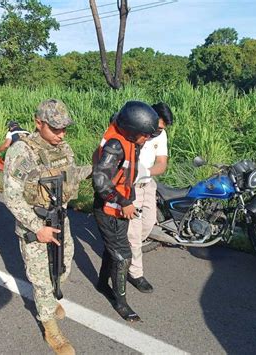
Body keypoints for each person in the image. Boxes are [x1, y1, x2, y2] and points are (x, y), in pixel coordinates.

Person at [3, 99, 91, 355]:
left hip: (60, 219)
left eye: (64, 129)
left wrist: (96, 170)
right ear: (38, 123)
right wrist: (36, 227)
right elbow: (12, 196)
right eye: (55, 129)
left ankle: (51, 300)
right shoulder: (20, 152)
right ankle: (50, 327)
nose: (61, 134)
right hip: (36, 226)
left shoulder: (62, 147)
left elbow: (70, 174)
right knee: (41, 279)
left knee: (63, 266)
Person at [92, 100, 159, 322]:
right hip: (109, 208)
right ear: (131, 130)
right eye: (145, 135)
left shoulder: (130, 139)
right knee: (123, 256)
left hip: (119, 207)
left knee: (113, 248)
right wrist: (124, 201)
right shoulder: (116, 145)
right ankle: (120, 303)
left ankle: (102, 284)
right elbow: (101, 181)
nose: (148, 138)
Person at [126, 102, 174, 293]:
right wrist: (132, 175)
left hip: (148, 183)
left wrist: (145, 171)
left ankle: (124, 249)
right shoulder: (135, 129)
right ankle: (135, 273)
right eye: (157, 128)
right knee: (134, 233)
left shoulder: (160, 134)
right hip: (131, 186)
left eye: (161, 129)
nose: (158, 132)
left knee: (149, 222)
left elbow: (162, 164)